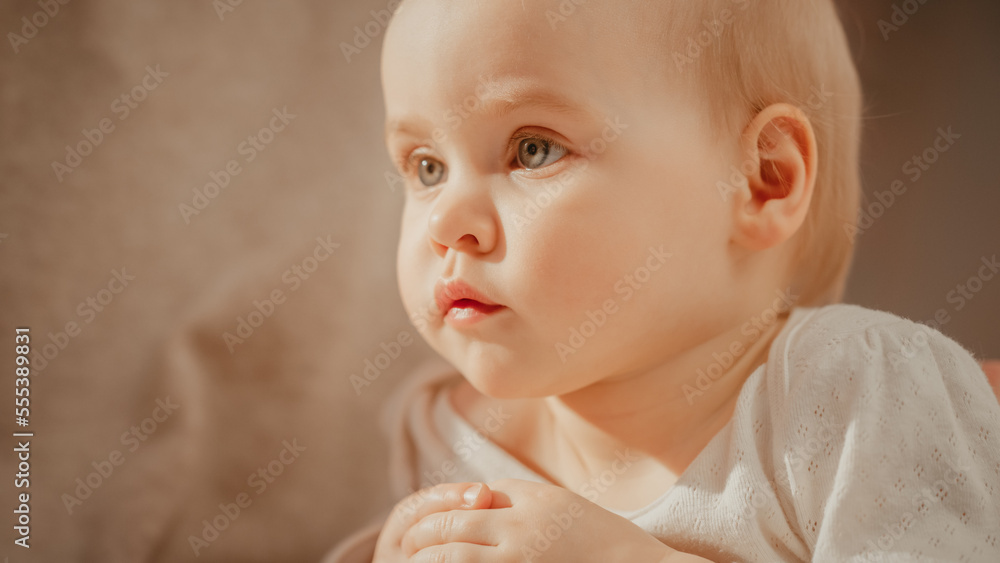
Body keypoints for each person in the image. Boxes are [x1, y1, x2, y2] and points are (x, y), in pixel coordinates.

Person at [338, 0, 1000, 561]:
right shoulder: (439, 435)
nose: (447, 221)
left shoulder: (859, 395)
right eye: (426, 166)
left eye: (532, 148)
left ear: (763, 180)